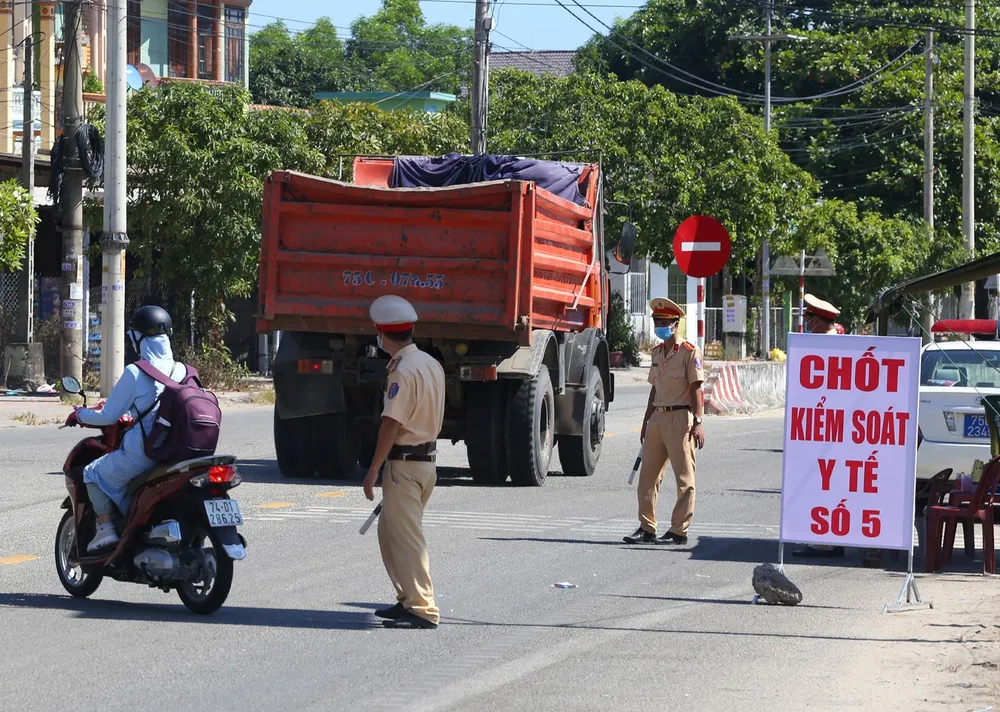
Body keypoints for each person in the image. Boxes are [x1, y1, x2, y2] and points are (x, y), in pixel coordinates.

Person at [65, 305, 187, 552]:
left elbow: (109, 415)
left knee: (91, 473)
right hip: (175, 453)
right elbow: (157, 407)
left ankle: (106, 528)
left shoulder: (135, 372)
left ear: (137, 338)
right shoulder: (181, 370)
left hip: (143, 454)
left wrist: (79, 413)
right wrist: (131, 415)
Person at [363, 294, 446, 630]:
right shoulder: (430, 363)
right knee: (389, 534)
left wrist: (372, 470)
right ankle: (406, 598)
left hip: (404, 466)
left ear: (383, 334)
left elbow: (390, 423)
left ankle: (423, 608)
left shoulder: (401, 370)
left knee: (407, 539)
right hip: (425, 463)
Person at [624, 297, 706, 546]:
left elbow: (697, 388)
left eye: (663, 322)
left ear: (675, 324)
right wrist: (646, 420)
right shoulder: (657, 352)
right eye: (656, 321)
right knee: (647, 478)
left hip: (681, 418)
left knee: (684, 479)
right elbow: (654, 389)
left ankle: (679, 531)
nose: (659, 326)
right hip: (658, 418)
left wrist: (699, 421)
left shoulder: (690, 352)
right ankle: (647, 528)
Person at [793, 293, 846, 559]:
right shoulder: (839, 343)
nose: (806, 323)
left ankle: (822, 542)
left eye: (808, 318)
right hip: (829, 429)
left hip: (825, 430)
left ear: (815, 320)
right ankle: (831, 539)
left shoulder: (823, 347)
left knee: (821, 484)